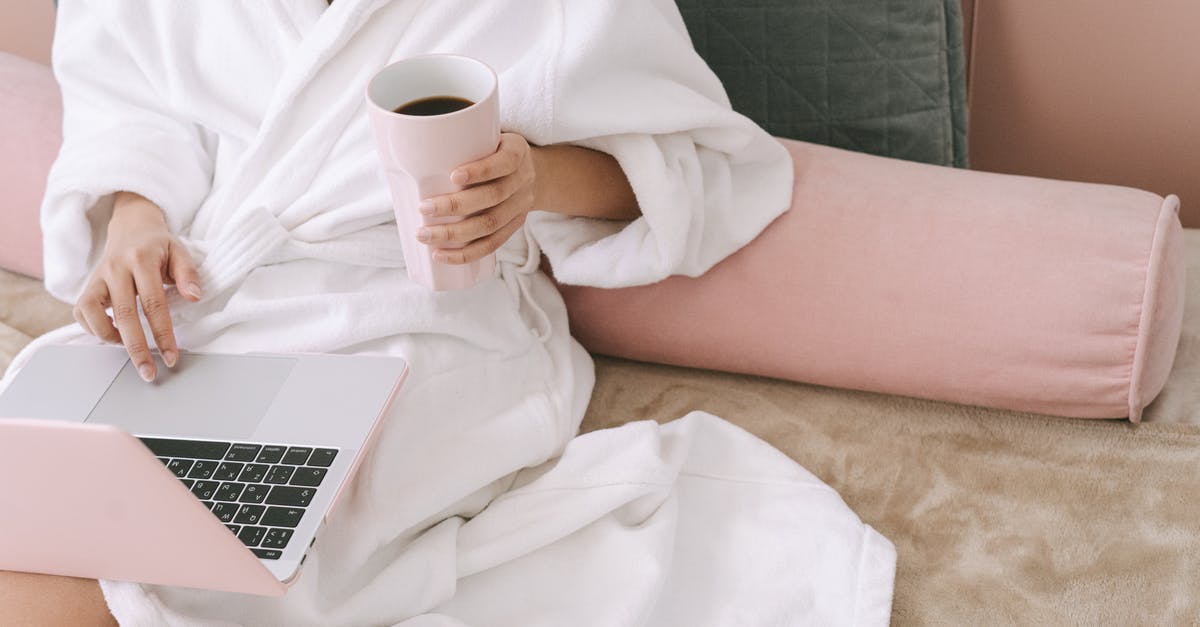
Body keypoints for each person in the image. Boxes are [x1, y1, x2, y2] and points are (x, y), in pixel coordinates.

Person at [1, 1, 896, 625]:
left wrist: (535, 178)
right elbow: (132, 110)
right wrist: (135, 220)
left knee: (209, 563)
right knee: (48, 497)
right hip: (203, 302)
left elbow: (701, 172)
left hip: (423, 320)